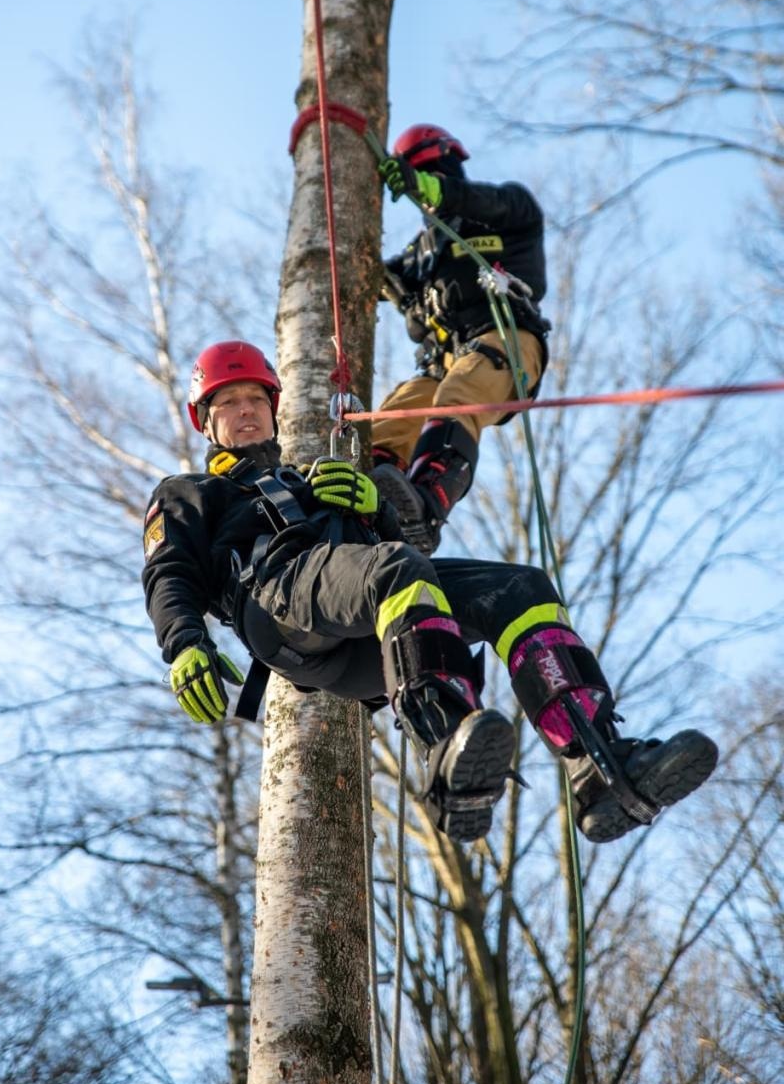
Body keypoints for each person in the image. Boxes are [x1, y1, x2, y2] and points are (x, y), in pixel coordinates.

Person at [142, 340, 718, 845]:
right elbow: (168, 571)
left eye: (255, 400)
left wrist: (376, 509)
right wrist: (184, 642)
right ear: (205, 420)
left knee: (520, 587)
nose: (245, 411)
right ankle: (446, 746)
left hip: (376, 638)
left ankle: (596, 766)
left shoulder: (313, 480)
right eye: (228, 403)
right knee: (396, 569)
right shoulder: (190, 493)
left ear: (272, 409)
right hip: (279, 601)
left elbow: (388, 548)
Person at [372, 124, 552, 554]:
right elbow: (380, 277)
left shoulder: (506, 208)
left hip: (505, 342)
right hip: (442, 364)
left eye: (434, 168)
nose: (428, 180)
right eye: (420, 172)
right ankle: (373, 503)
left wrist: (430, 186)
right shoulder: (422, 253)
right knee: (394, 416)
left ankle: (427, 502)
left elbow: (475, 199)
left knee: (458, 397)